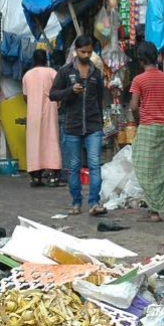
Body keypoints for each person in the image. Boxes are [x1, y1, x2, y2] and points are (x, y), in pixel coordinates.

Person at [50, 35, 107, 216]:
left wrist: (100, 122)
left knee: (95, 165)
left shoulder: (96, 73)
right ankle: (76, 202)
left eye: (89, 52)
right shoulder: (65, 72)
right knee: (74, 166)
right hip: (72, 126)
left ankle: (94, 203)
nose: (86, 55)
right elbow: (53, 94)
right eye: (83, 52)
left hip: (93, 125)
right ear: (76, 51)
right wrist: (70, 91)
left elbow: (100, 99)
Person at [130, 42, 164, 222]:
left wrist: (139, 121)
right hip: (163, 126)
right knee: (158, 167)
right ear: (157, 57)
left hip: (148, 126)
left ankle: (154, 211)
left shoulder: (139, 80)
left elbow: (133, 106)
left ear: (140, 60)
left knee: (143, 168)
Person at [21, 50, 62, 187]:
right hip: (50, 110)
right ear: (46, 59)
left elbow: (25, 97)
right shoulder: (52, 73)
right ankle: (54, 175)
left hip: (33, 112)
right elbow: (59, 92)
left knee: (34, 143)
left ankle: (35, 176)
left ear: (33, 60)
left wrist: (34, 103)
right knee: (51, 140)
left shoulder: (27, 75)